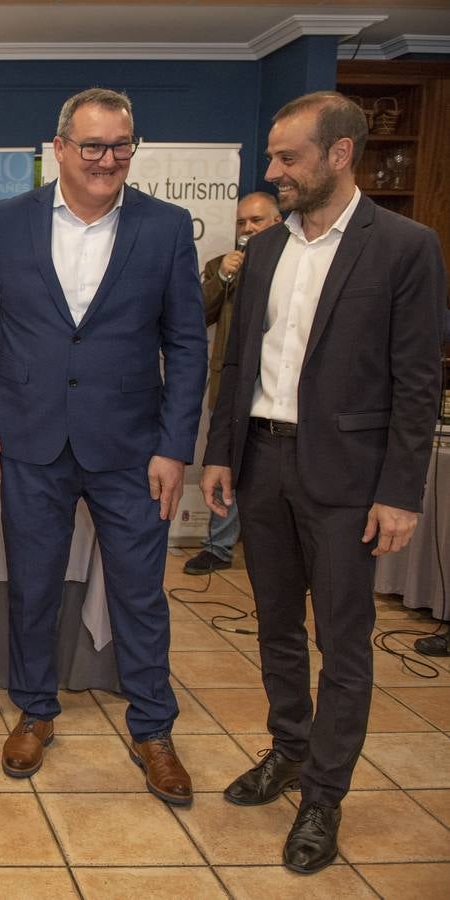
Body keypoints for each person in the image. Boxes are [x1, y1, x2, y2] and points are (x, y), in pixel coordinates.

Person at [201, 92, 445, 874]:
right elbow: (239, 362)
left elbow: (415, 381)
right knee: (274, 625)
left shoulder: (405, 246)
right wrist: (220, 454)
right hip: (263, 461)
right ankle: (289, 749)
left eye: (287, 158)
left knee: (343, 642)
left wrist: (402, 491)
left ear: (340, 155)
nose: (273, 172)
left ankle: (324, 796)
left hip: (347, 478)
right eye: (271, 157)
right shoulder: (268, 249)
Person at [0, 88, 207, 805]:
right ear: (60, 148)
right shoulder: (8, 223)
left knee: (140, 596)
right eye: (93, 146)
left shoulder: (164, 229)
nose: (108, 160)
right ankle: (35, 713)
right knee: (33, 590)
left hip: (134, 448)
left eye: (121, 146)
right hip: (29, 440)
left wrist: (175, 446)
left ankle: (154, 729)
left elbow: (186, 344)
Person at [183, 192, 282, 575]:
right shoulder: (220, 266)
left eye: (256, 220)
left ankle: (277, 551)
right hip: (231, 387)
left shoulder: (293, 265)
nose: (248, 229)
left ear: (277, 222)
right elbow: (196, 316)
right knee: (223, 462)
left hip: (281, 389)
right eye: (242, 222)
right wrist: (224, 275)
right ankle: (219, 546)